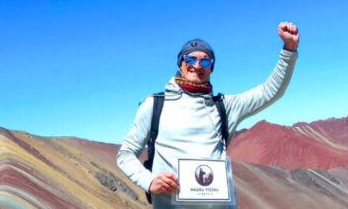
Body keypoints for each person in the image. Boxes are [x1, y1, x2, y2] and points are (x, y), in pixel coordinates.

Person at [117, 22, 299, 208]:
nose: (197, 65)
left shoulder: (225, 106)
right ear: (180, 63)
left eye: (205, 61)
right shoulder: (155, 105)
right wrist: (149, 181)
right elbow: (125, 154)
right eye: (190, 59)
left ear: (211, 68)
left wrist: (289, 50)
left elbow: (270, 91)